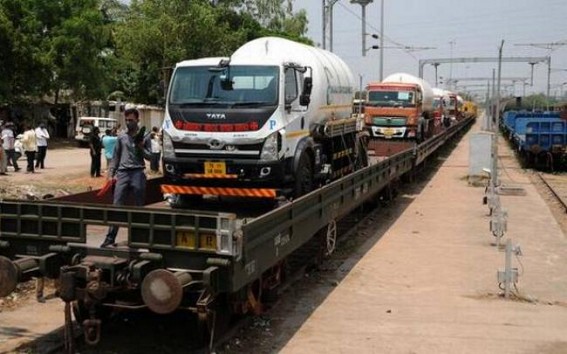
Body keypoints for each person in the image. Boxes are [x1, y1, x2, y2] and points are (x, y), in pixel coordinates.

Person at [100, 108, 146, 247]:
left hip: (138, 172)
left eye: (131, 120)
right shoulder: (121, 137)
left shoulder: (145, 136)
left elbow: (152, 158)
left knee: (139, 207)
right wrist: (110, 174)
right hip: (123, 173)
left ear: (137, 120)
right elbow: (115, 157)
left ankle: (138, 238)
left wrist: (141, 148)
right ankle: (110, 238)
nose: (128, 123)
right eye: (126, 120)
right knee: (117, 205)